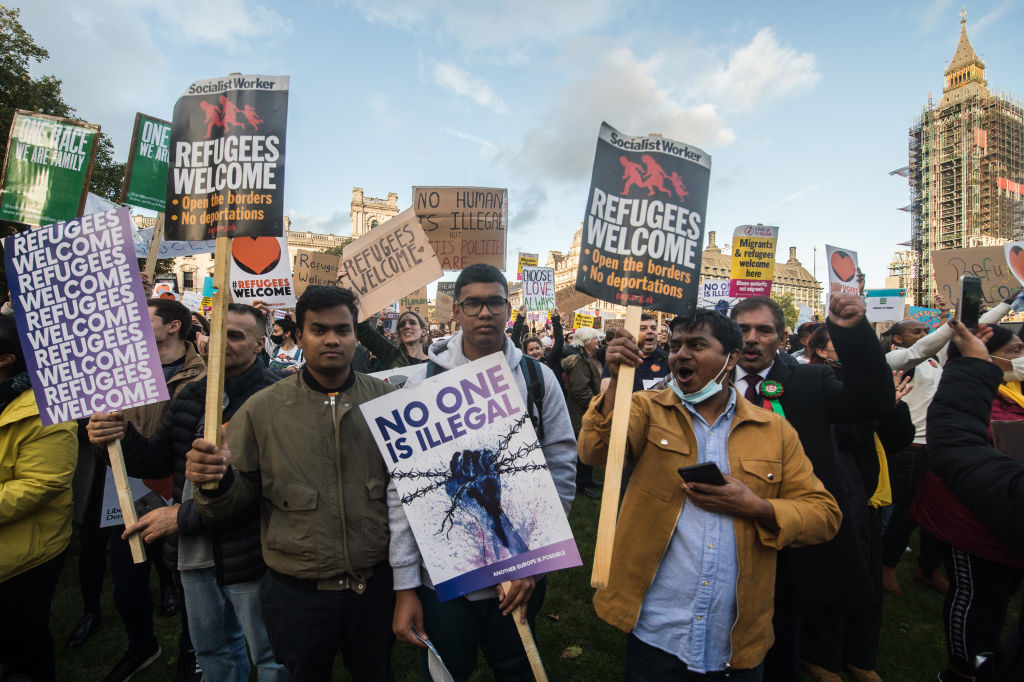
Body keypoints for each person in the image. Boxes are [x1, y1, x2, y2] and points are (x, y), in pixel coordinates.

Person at [578, 309, 841, 680]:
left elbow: (824, 515)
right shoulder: (645, 409)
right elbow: (594, 452)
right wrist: (618, 384)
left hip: (734, 641)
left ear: (731, 358)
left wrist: (759, 508)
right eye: (676, 345)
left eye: (697, 345)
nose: (681, 354)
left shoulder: (774, 430)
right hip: (658, 632)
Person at [185, 286, 398, 681]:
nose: (332, 339)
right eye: (318, 330)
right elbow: (234, 500)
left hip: (374, 588)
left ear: (356, 336)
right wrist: (214, 481)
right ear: (299, 337)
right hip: (298, 594)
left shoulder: (387, 403)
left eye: (343, 329)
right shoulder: (263, 409)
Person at [390, 263, 577, 682]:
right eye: (473, 303)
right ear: (455, 310)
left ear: (508, 309)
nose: (484, 312)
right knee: (445, 673)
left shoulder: (537, 378)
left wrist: (536, 560)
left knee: (517, 668)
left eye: (495, 302)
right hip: (444, 578)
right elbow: (403, 490)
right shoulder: (420, 384)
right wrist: (405, 582)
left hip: (521, 568)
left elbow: (561, 466)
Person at [87, 304, 288, 682]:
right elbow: (155, 461)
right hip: (193, 554)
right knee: (211, 649)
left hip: (254, 554)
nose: (221, 343)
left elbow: (272, 489)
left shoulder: (278, 399)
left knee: (271, 655)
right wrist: (116, 437)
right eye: (217, 333)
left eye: (236, 336)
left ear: (261, 344)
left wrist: (179, 517)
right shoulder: (192, 396)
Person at [728, 295, 895, 682]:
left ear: (782, 337)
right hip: (722, 530)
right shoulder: (705, 381)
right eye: (742, 329)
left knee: (783, 635)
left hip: (787, 536)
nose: (752, 338)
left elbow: (873, 400)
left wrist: (851, 332)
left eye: (764, 330)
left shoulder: (810, 381)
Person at [95, 298, 207, 682]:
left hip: (180, 488)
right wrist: (99, 435)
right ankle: (141, 644)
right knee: (127, 583)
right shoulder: (124, 368)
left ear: (174, 326)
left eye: (147, 316)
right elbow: (109, 431)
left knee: (188, 581)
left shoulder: (205, 371)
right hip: (128, 487)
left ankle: (192, 655)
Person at [800, 325, 915, 682]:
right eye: (838, 343)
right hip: (831, 491)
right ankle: (823, 656)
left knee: (867, 576)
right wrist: (872, 409)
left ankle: (862, 656)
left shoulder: (869, 382)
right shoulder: (812, 382)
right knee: (834, 574)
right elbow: (840, 436)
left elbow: (896, 440)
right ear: (820, 352)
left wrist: (889, 406)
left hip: (866, 492)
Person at [912, 323, 1024, 682]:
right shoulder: (972, 393)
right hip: (969, 517)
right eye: (1015, 351)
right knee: (975, 594)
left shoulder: (1016, 393)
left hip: (1007, 513)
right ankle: (962, 669)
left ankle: (987, 653)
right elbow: (959, 442)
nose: (1022, 358)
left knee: (999, 597)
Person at [882, 294, 1010, 597]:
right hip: (911, 449)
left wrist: (1004, 305)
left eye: (925, 331)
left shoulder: (933, 360)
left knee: (941, 513)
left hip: (939, 449)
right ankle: (887, 566)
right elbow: (932, 343)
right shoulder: (893, 360)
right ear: (898, 337)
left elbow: (967, 335)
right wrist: (953, 321)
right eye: (916, 331)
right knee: (904, 514)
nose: (924, 335)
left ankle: (928, 567)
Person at [0, 316, 78, 682]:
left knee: (23, 647)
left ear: (6, 359)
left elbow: (43, 483)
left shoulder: (43, 407)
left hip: (22, 558)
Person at [563, 326, 604, 499]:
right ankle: (583, 484)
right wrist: (597, 407)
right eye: (595, 338)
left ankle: (587, 479)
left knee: (589, 447)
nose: (598, 341)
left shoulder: (589, 357)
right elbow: (580, 390)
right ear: (587, 342)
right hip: (582, 413)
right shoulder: (579, 361)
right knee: (583, 450)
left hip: (589, 410)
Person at [600, 314, 669, 392]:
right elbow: (605, 393)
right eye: (643, 328)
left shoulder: (668, 359)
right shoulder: (619, 358)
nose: (650, 331)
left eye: (653, 328)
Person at [358, 310, 429, 369]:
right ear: (399, 334)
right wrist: (358, 306)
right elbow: (365, 331)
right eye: (402, 325)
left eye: (412, 323)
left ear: (423, 331)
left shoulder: (437, 359)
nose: (406, 326)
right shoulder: (391, 355)